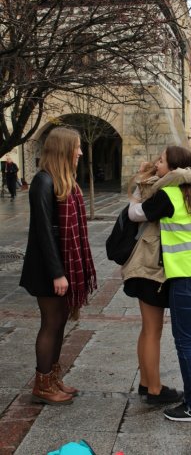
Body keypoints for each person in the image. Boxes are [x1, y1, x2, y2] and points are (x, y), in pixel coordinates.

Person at [128, 146, 191, 423]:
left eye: (161, 161)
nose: (157, 164)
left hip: (188, 274)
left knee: (185, 341)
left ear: (172, 169)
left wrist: (138, 184)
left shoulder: (167, 194)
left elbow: (135, 214)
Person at [20, 127, 97, 404]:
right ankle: (42, 385)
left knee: (60, 321)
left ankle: (52, 378)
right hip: (47, 269)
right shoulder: (43, 181)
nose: (80, 152)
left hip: (61, 266)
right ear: (63, 149)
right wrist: (57, 273)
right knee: (51, 323)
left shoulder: (65, 182)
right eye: (76, 147)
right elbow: (43, 232)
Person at [122, 161, 191, 404]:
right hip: (151, 268)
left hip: (146, 266)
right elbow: (134, 213)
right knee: (153, 330)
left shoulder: (150, 186)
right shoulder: (163, 191)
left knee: (149, 329)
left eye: (162, 160)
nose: (157, 163)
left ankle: (147, 383)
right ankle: (154, 389)